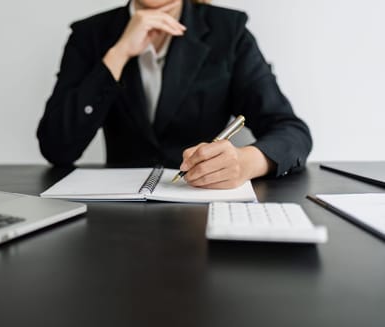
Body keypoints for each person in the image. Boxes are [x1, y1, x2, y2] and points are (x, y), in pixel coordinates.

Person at [37, 0, 312, 189]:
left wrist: (245, 163)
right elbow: (57, 147)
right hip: (117, 215)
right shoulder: (89, 35)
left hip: (200, 206)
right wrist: (118, 54)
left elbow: (290, 131)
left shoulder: (229, 31)